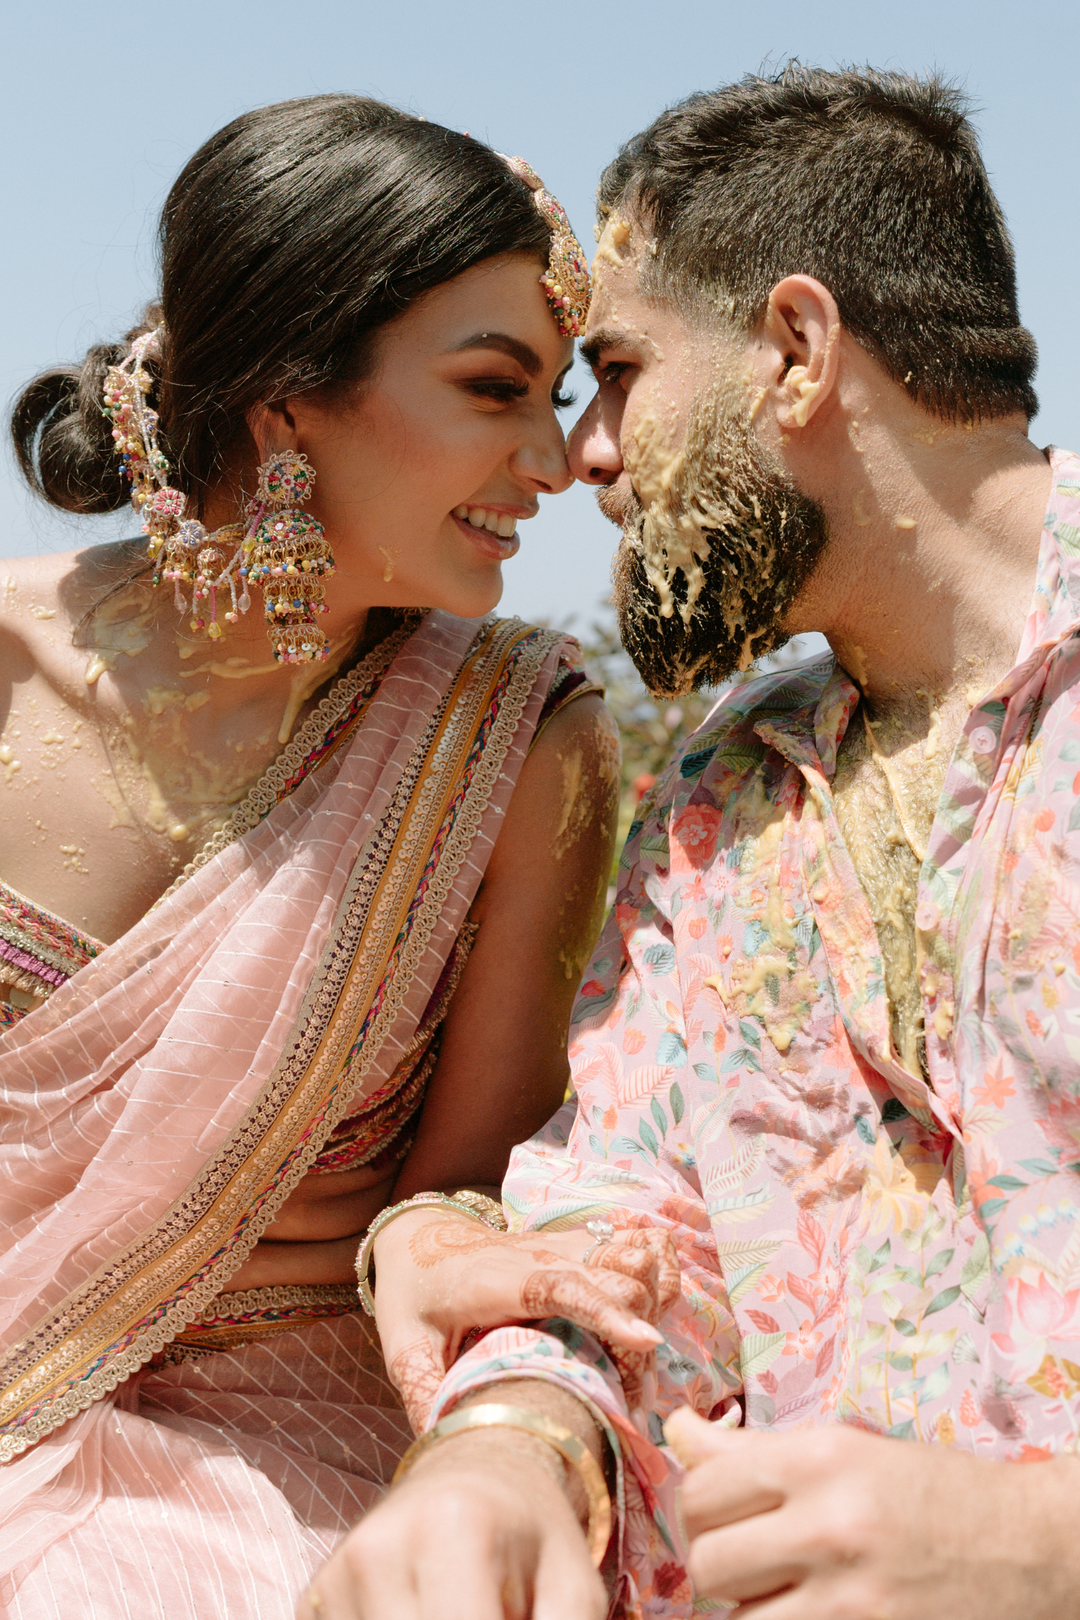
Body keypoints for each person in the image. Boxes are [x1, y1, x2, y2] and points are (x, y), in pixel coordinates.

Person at [311, 67, 1080, 1620]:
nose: (584, 453)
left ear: (795, 351)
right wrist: (510, 1454)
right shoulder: (724, 793)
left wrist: (1049, 1556)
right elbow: (620, 1223)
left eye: (617, 370)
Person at [0, 95, 621, 1618]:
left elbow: (467, 1205)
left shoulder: (517, 745)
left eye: (561, 397)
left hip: (295, 1468)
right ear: (288, 408)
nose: (555, 460)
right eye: (496, 390)